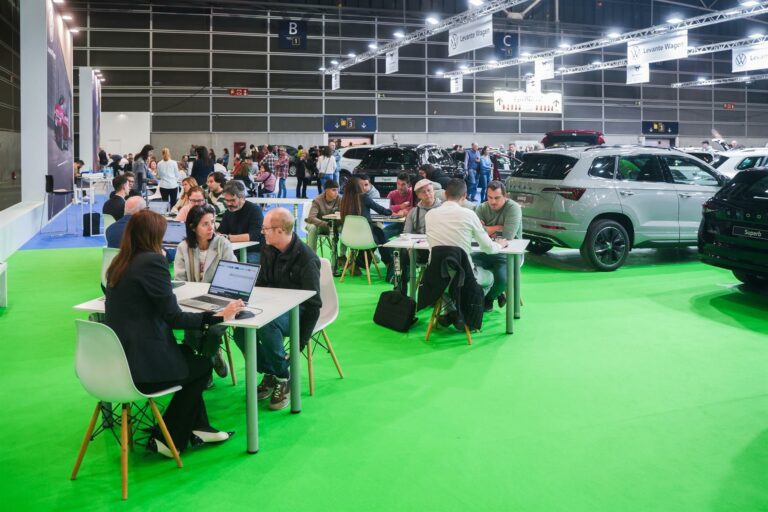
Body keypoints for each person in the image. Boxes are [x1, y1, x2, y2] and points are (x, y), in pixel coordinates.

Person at [105, 210, 243, 457]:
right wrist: (218, 317)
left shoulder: (119, 263)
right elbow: (174, 317)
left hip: (118, 361)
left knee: (190, 354)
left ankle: (200, 427)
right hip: (143, 366)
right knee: (202, 365)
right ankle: (167, 438)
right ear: (152, 235)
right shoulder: (151, 262)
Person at [243, 208, 321, 411]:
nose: (262, 232)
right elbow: (262, 283)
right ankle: (271, 371)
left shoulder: (307, 259)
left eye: (265, 229)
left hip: (298, 312)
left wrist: (298, 346)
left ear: (279, 230)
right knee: (240, 329)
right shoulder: (268, 248)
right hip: (272, 306)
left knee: (266, 325)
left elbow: (314, 306)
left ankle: (283, 377)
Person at [174, 204, 236, 381]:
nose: (211, 227)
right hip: (192, 301)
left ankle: (205, 367)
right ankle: (211, 356)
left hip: (221, 300)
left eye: (212, 222)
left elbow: (231, 273)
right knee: (192, 329)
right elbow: (179, 280)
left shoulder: (223, 244)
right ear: (193, 227)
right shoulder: (184, 247)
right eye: (205, 224)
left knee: (214, 331)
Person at [425, 178, 507, 305]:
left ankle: (452, 308)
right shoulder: (469, 215)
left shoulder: (429, 215)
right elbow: (488, 248)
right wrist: (499, 245)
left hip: (437, 277)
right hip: (464, 277)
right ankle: (470, 306)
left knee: (455, 280)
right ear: (464, 196)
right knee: (490, 277)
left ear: (445, 194)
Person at [473, 181, 522, 310]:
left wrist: (486, 229)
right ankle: (492, 294)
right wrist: (499, 227)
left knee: (503, 279)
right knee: (465, 269)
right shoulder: (481, 208)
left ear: (505, 196)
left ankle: (488, 298)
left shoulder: (513, 208)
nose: (493, 201)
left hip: (507, 254)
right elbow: (475, 233)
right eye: (490, 197)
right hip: (484, 251)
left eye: (497, 198)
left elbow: (508, 235)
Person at [340, 176, 393, 267]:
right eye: (362, 185)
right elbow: (380, 210)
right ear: (358, 186)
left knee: (377, 234)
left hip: (348, 238)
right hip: (365, 237)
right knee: (379, 234)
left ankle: (359, 264)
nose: (364, 187)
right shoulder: (364, 197)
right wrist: (391, 212)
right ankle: (388, 262)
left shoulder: (344, 200)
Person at [217, 180, 264, 264]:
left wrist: (227, 238)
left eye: (232, 200)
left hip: (254, 250)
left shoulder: (255, 210)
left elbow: (254, 236)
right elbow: (221, 231)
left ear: (242, 198)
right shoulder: (228, 211)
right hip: (236, 250)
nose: (229, 204)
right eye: (226, 200)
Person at [305, 179, 340, 252]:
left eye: (337, 190)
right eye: (334, 190)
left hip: (334, 226)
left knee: (347, 227)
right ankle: (312, 255)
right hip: (319, 226)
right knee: (312, 228)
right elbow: (311, 218)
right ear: (326, 190)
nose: (336, 192)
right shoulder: (317, 200)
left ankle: (342, 255)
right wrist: (326, 224)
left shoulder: (340, 199)